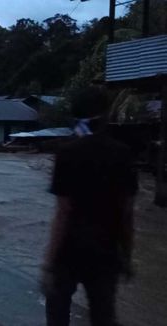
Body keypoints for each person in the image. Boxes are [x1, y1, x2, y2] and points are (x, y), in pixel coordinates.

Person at [41, 87, 138, 326]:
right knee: (103, 317)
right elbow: (127, 214)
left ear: (76, 116)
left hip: (68, 252)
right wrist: (126, 255)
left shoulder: (67, 153)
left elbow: (63, 213)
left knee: (57, 315)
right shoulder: (123, 154)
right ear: (106, 116)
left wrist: (48, 262)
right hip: (106, 252)